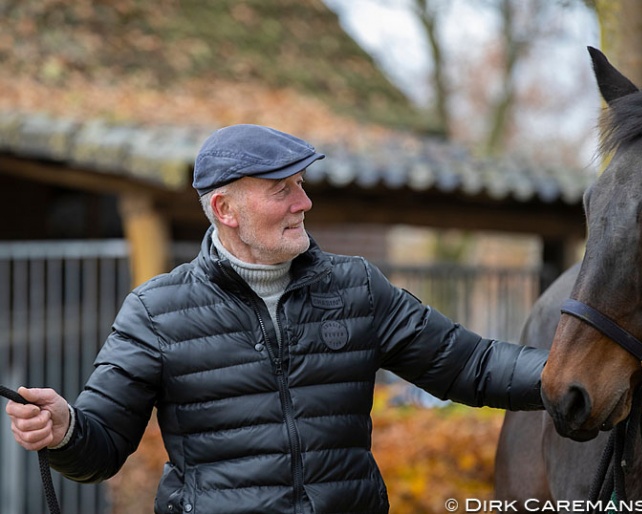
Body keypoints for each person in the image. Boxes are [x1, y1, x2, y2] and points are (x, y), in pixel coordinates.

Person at [6, 124, 548, 514]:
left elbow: (472, 365)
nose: (304, 202)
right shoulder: (156, 311)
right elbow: (99, 450)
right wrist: (65, 430)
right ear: (225, 210)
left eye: (301, 184)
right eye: (281, 189)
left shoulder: (357, 286)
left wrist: (588, 372)